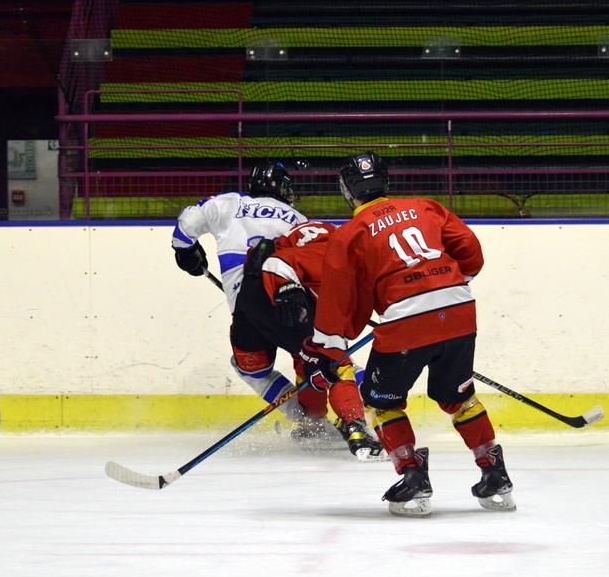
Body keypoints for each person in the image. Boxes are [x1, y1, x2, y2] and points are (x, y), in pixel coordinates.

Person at [300, 152, 516, 516]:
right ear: (386, 180)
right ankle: (495, 474)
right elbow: (470, 252)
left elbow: (339, 301)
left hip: (406, 321)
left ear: (347, 191)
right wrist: (444, 287)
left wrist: (328, 350)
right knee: (459, 397)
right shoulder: (425, 206)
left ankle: (413, 476)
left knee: (381, 402)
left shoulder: (350, 233)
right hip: (459, 310)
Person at [171, 162, 342, 440]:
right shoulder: (299, 219)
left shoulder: (229, 203)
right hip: (286, 299)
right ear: (283, 188)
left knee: (252, 370)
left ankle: (305, 421)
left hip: (246, 309)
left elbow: (186, 224)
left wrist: (186, 253)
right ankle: (345, 415)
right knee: (317, 359)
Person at [238, 221, 386, 461]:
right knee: (335, 364)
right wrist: (291, 292)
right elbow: (279, 265)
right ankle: (355, 427)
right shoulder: (336, 250)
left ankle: (312, 423)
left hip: (248, 306)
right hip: (287, 296)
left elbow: (259, 257)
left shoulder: (287, 241)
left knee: (305, 359)